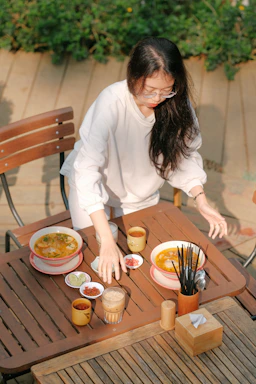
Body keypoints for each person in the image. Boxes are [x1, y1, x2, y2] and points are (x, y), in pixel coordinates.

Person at [61, 37, 227, 284]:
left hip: (140, 197)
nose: (158, 98)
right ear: (133, 77)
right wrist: (106, 238)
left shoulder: (176, 103)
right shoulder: (111, 103)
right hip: (94, 193)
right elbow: (87, 171)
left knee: (138, 266)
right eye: (149, 90)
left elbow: (184, 157)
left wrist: (200, 199)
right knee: (98, 261)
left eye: (166, 89)